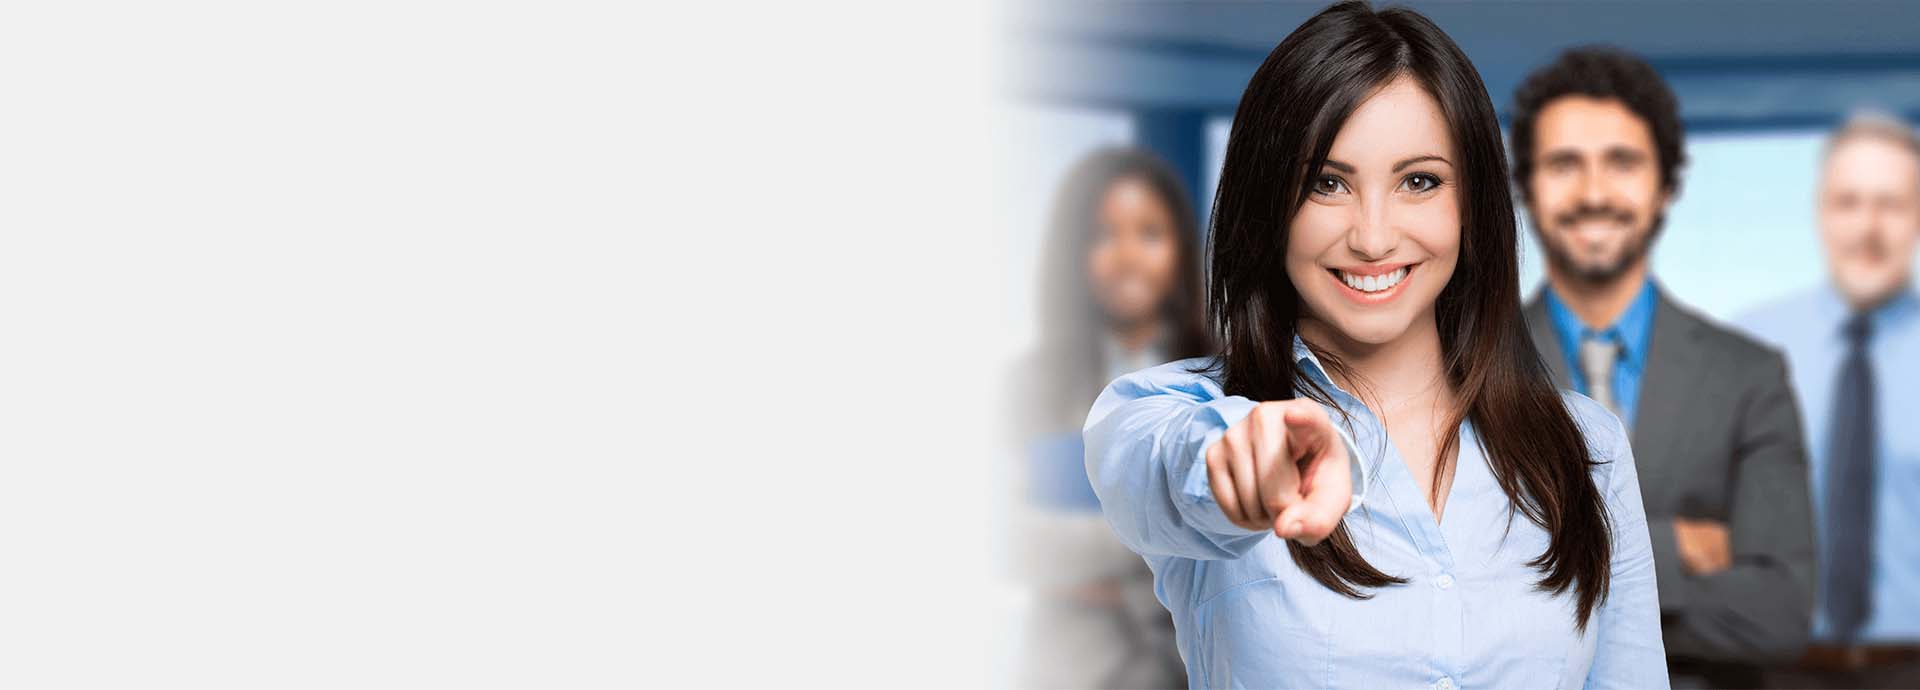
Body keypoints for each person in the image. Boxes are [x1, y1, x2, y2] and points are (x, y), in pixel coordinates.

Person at [1082, 3, 1666, 688]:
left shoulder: (1587, 447)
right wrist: (1243, 459)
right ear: (1270, 201)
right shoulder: (1173, 412)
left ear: (1471, 203)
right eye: (1327, 183)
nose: (1373, 236)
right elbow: (1162, 468)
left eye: (1419, 181)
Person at [1507, 47, 1816, 688]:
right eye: (1565, 164)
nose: (1594, 193)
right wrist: (1678, 549)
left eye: (1622, 162)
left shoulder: (1749, 376)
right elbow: (1453, 586)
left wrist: (1554, 572)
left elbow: (1780, 612)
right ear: (1525, 186)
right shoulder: (1470, 365)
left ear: (1666, 184)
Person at [1011, 147, 1212, 689]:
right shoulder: (1029, 387)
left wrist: (1101, 574)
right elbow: (1007, 538)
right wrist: (1167, 536)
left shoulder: (1227, 387)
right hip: (1067, 667)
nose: (1127, 256)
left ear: (1179, 250)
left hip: (1190, 665)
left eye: (1149, 234)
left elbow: (1242, 545)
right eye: (1104, 235)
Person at [1739, 112, 1920, 689]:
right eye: (1848, 202)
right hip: (1776, 670)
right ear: (1821, 212)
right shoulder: (1748, 348)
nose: (1868, 226)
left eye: (1891, 204)